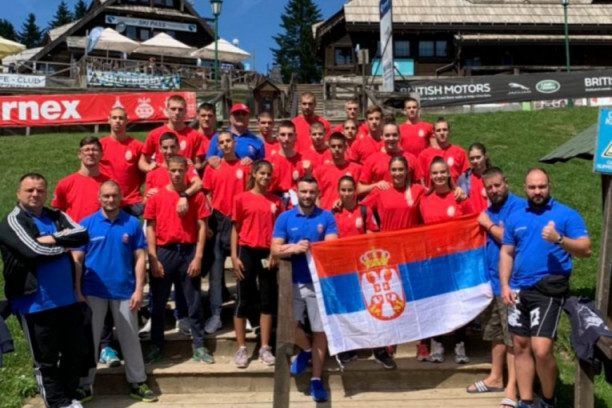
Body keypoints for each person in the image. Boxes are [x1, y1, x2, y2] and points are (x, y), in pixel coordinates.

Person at [499, 168, 591, 408]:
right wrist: (505, 284)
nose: (537, 191)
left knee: (541, 349)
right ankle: (527, 400)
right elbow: (507, 252)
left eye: (541, 186)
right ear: (525, 188)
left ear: (549, 186)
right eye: (532, 187)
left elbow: (585, 249)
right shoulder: (515, 217)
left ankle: (549, 399)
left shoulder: (566, 215)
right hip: (518, 290)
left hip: (548, 290)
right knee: (520, 346)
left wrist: (559, 239)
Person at [0, 173, 90, 408]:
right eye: (29, 190)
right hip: (34, 303)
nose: (35, 194)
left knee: (74, 353)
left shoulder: (56, 216)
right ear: (18, 193)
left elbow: (82, 234)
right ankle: (56, 403)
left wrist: (49, 238)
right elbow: (33, 251)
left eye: (40, 190)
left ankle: (69, 398)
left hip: (67, 299)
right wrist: (64, 246)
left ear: (46, 193)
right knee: (46, 360)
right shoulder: (12, 222)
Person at [73, 181, 157, 403]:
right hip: (92, 291)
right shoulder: (86, 224)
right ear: (99, 198)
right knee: (89, 340)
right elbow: (77, 260)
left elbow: (140, 258)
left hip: (124, 290)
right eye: (106, 196)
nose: (110, 200)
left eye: (114, 196)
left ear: (121, 197)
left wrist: (139, 290)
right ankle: (84, 384)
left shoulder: (132, 223)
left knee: (130, 338)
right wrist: (77, 291)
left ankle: (138, 381)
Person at [271, 175, 338, 402]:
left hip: (318, 284)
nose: (308, 196)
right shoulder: (285, 217)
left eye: (311, 192)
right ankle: (307, 349)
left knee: (320, 330)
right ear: (296, 193)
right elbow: (275, 249)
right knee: (289, 326)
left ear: (317, 193)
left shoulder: (327, 217)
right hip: (292, 283)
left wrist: (313, 247)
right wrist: (294, 248)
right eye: (304, 191)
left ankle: (316, 379)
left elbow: (332, 246)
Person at [143, 156, 213, 365]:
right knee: (158, 301)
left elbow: (202, 227)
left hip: (188, 250)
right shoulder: (157, 196)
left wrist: (198, 256)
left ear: (186, 171)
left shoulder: (197, 197)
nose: (176, 174)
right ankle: (156, 345)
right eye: (173, 170)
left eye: (180, 170)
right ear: (168, 171)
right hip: (164, 251)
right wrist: (153, 258)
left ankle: (199, 344)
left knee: (194, 300)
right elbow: (150, 228)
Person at [465, 167, 525, 408]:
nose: (494, 190)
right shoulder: (488, 211)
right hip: (491, 283)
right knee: (495, 333)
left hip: (511, 284)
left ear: (506, 183)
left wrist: (488, 225)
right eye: (489, 187)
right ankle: (495, 377)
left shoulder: (518, 208)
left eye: (497, 185)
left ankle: (512, 388)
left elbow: (512, 239)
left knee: (512, 338)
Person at [419, 157, 474, 364]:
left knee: (458, 302)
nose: (439, 176)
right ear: (430, 176)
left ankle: (460, 343)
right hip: (434, 261)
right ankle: (438, 343)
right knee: (437, 302)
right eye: (435, 173)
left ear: (449, 174)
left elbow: (472, 225)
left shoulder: (460, 198)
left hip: (457, 260)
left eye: (443, 172)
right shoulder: (424, 200)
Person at [231, 160, 284, 368]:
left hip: (267, 253)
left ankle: (265, 347)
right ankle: (241, 347)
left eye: (268, 174)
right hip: (246, 251)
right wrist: (234, 256)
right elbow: (235, 229)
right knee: (243, 299)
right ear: (254, 174)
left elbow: (279, 231)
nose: (265, 177)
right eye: (261, 173)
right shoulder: (241, 198)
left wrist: (275, 253)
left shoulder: (276, 202)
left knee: (267, 300)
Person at [202, 131, 250, 334]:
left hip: (239, 221)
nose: (225, 145)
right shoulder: (213, 167)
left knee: (242, 269)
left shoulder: (245, 166)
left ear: (234, 142)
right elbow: (207, 195)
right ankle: (215, 315)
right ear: (218, 146)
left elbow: (250, 193)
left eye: (228, 141)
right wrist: (208, 223)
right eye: (221, 142)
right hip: (218, 219)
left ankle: (245, 313)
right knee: (215, 272)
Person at [99, 107, 145, 217]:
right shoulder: (100, 146)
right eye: (114, 118)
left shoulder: (137, 146)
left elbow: (147, 172)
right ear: (109, 120)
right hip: (107, 199)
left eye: (121, 118)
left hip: (131, 201)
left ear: (126, 121)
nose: (117, 121)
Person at [52, 136, 109, 223]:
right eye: (86, 150)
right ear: (79, 155)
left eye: (94, 150)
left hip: (102, 230)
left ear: (101, 154)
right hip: (75, 230)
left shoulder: (109, 184)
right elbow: (58, 212)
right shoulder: (65, 183)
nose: (90, 153)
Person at [362, 155, 425, 232]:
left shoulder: (418, 190)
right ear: (389, 171)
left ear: (407, 171)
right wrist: (372, 228)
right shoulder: (380, 191)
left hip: (411, 238)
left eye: (401, 169)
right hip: (388, 238)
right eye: (394, 170)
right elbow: (360, 209)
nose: (397, 173)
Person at [139, 95, 199, 171]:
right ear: (167, 110)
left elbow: (198, 164)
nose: (177, 112)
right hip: (161, 176)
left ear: (185, 111)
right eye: (173, 109)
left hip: (184, 177)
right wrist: (149, 168)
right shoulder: (154, 134)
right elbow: (142, 161)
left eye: (180, 109)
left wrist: (193, 166)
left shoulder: (195, 135)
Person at [358, 123, 417, 197]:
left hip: (405, 201)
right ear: (382, 136)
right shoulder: (371, 160)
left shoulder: (411, 158)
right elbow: (359, 189)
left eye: (394, 135)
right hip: (379, 202)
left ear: (399, 136)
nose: (391, 138)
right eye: (387, 135)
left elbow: (418, 187)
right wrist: (376, 185)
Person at [313, 133, 362, 211]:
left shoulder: (356, 169)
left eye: (340, 146)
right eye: (333, 146)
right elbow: (315, 195)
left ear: (345, 147)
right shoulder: (320, 170)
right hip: (326, 213)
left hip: (349, 214)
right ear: (329, 148)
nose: (336, 149)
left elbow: (361, 192)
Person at [416, 118, 469, 186]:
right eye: (438, 130)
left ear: (449, 132)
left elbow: (466, 178)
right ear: (434, 133)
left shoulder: (460, 152)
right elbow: (420, 181)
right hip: (432, 192)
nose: (442, 133)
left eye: (444, 130)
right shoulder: (423, 155)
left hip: (454, 192)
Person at [268, 120, 306, 204]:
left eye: (290, 135)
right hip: (274, 202)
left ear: (295, 136)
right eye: (283, 134)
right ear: (277, 137)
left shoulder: (303, 161)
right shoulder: (269, 161)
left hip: (296, 203)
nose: (286, 138)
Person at [457, 143, 491, 214]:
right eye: (472, 158)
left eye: (478, 157)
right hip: (472, 218)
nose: (475, 161)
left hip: (491, 218)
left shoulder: (494, 176)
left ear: (485, 156)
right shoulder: (464, 179)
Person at [194, 103, 218, 172]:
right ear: (197, 116)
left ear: (215, 117)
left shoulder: (220, 138)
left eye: (210, 116)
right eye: (203, 115)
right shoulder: (191, 136)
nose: (206, 119)